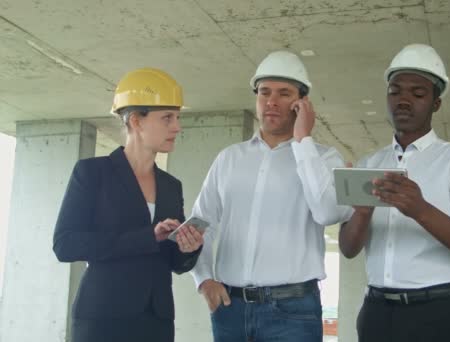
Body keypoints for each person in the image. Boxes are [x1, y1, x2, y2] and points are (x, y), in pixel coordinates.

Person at [190, 51, 351, 342]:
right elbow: (201, 223)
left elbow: (328, 212)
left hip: (293, 312)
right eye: (264, 92)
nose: (271, 102)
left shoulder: (325, 158)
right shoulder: (229, 158)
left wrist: (304, 142)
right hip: (230, 309)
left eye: (283, 93)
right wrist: (203, 280)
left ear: (301, 104)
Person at [339, 44, 450, 342]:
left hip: (437, 315)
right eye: (395, 91)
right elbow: (348, 249)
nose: (404, 100)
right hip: (376, 313)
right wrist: (361, 213)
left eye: (418, 93)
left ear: (436, 103)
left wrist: (421, 209)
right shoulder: (370, 164)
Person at [52, 67, 204, 342]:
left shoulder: (171, 185)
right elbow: (66, 244)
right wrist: (147, 236)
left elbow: (174, 262)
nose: (177, 127)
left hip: (156, 321)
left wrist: (188, 248)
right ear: (136, 120)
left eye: (178, 117)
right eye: (167, 118)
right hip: (103, 318)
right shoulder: (92, 172)